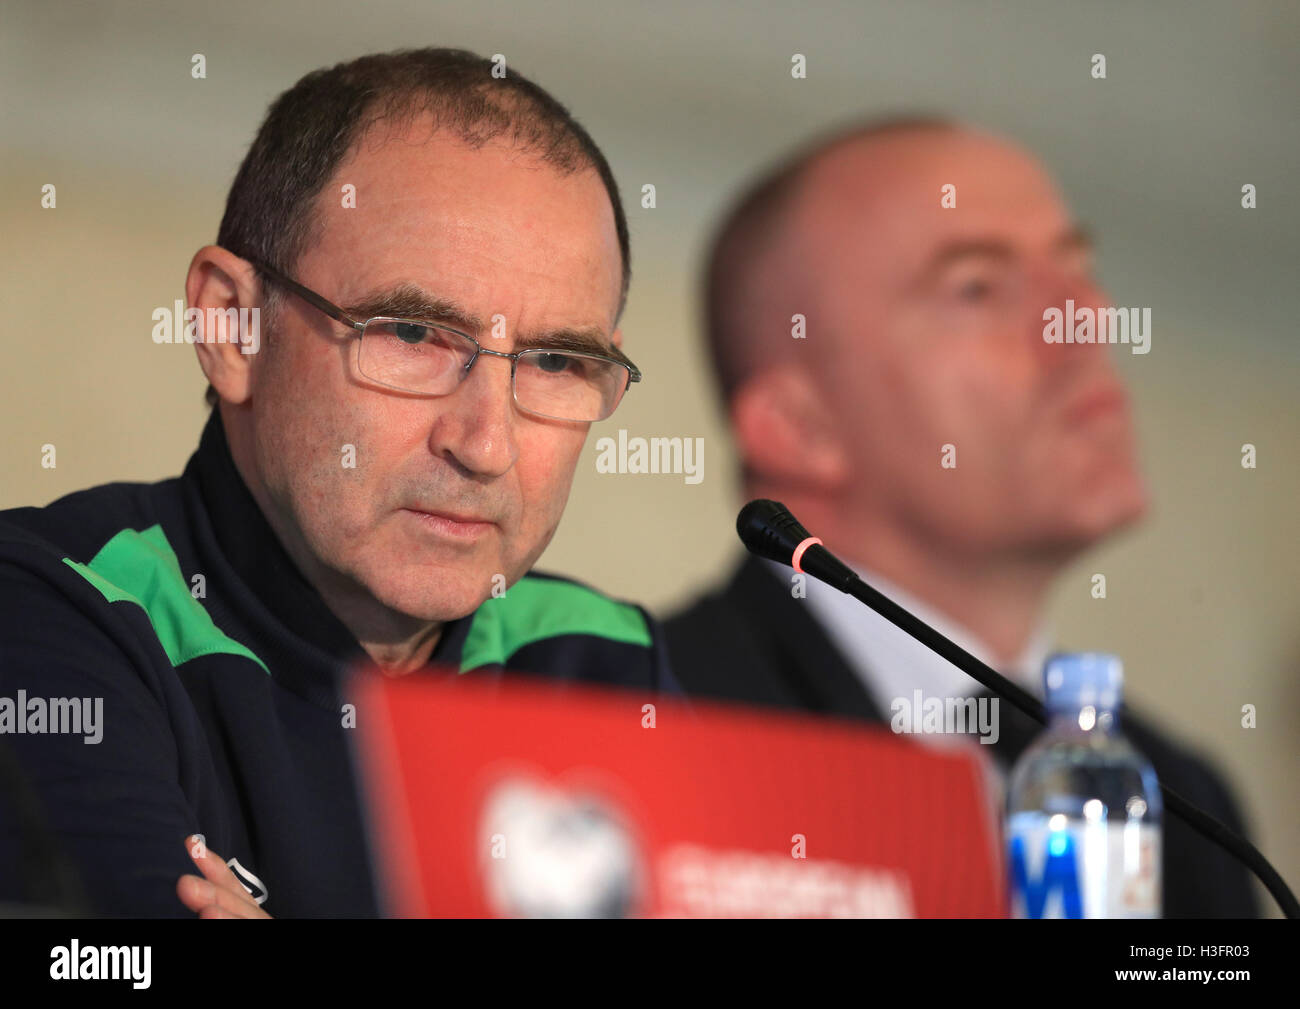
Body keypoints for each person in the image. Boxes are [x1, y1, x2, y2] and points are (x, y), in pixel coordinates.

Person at [0, 47, 676, 918]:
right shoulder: (51, 607)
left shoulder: (599, 656)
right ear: (233, 327)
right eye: (411, 333)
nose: (485, 444)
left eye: (555, 359)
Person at [665, 119, 1261, 917]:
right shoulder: (646, 719)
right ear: (801, 425)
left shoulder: (1184, 804)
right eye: (978, 287)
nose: (1087, 319)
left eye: (1082, 271)